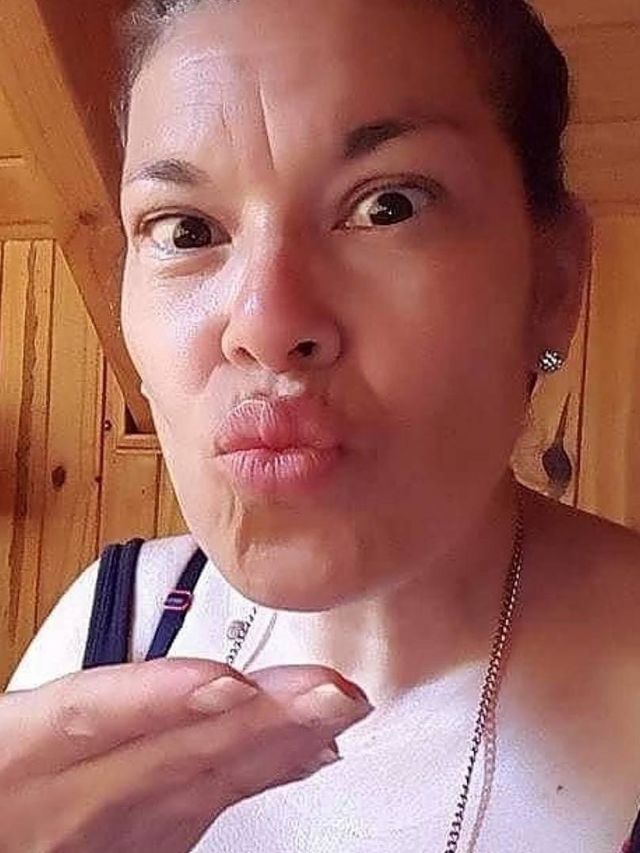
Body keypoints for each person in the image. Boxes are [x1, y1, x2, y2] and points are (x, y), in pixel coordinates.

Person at [4, 0, 640, 850]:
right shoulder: (107, 625)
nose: (265, 324)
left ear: (553, 282)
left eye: (388, 206)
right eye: (187, 230)